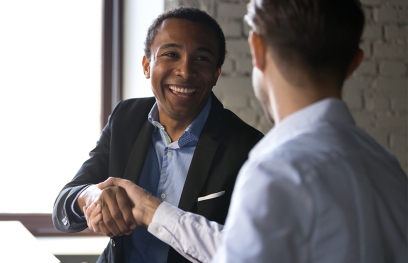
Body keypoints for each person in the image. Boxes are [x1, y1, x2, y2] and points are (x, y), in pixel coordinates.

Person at [86, 0, 408, 262]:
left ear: (257, 48)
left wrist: (147, 210)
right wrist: (147, 209)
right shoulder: (388, 168)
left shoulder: (275, 168)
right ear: (355, 62)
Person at [52, 6, 264, 263]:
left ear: (217, 73)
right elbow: (64, 204)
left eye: (201, 59)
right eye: (171, 54)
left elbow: (249, 251)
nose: (185, 72)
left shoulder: (249, 149)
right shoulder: (125, 117)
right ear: (146, 66)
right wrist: (91, 196)